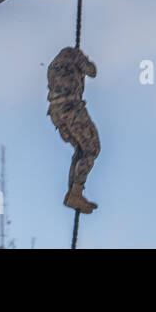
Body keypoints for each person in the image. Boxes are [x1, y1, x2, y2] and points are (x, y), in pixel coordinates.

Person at [47, 46, 100, 214]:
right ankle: (75, 193)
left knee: (80, 150)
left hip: (56, 112)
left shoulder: (53, 65)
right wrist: (84, 60)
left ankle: (74, 194)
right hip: (71, 109)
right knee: (92, 149)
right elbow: (92, 71)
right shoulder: (74, 55)